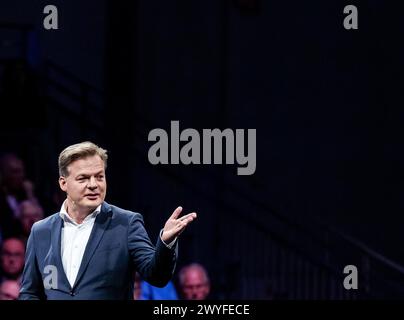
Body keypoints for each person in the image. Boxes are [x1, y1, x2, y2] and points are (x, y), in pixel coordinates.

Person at [19, 141, 197, 300]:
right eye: (83, 178)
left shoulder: (126, 223)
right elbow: (30, 292)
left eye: (99, 176)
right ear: (63, 183)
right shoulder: (40, 231)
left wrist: (166, 242)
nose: (93, 184)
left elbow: (157, 276)